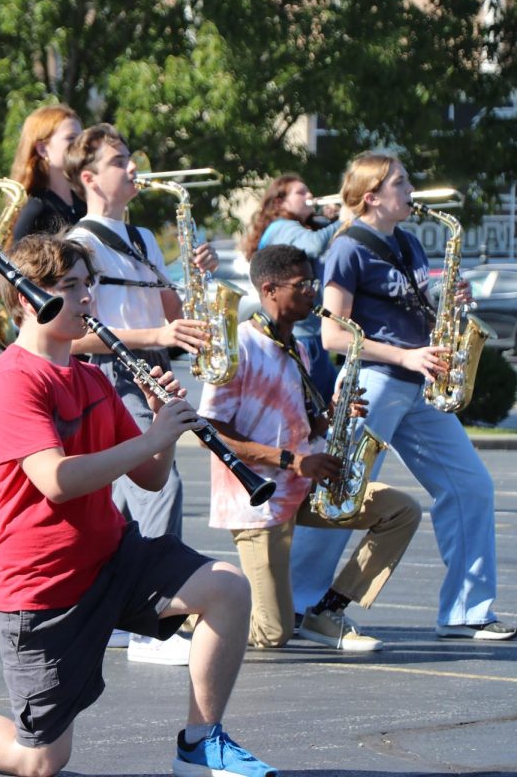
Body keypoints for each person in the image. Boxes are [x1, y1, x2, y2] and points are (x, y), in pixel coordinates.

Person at [0, 233, 277, 777]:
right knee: (39, 761)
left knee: (227, 587)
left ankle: (200, 743)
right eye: (70, 287)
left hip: (110, 559)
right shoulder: (10, 380)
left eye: (89, 285)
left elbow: (150, 479)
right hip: (41, 589)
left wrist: (162, 421)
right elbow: (56, 480)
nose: (88, 299)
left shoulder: (89, 378)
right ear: (23, 298)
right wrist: (150, 439)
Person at [289, 152, 515, 641]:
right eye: (401, 181)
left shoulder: (409, 243)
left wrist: (448, 306)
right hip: (372, 383)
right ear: (372, 196)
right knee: (342, 493)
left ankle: (465, 611)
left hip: (418, 384)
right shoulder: (348, 249)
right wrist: (404, 356)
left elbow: (409, 310)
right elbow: (332, 336)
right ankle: (298, 603)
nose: (410, 189)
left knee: (470, 486)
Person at [197, 244, 421, 651]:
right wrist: (295, 461)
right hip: (257, 501)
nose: (313, 293)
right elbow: (210, 432)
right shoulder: (239, 348)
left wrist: (333, 415)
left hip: (300, 488)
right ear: (270, 290)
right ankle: (189, 613)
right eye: (303, 285)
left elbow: (300, 425)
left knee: (401, 510)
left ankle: (328, 610)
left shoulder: (296, 349)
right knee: (272, 633)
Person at [61, 123, 217, 663]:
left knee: (127, 504)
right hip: (111, 373)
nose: (133, 169)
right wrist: (159, 336)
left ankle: (121, 617)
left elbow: (172, 312)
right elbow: (78, 333)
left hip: (149, 370)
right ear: (89, 177)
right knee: (158, 488)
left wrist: (192, 279)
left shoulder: (145, 239)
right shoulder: (78, 244)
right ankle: (154, 620)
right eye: (119, 161)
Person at [240, 174, 340, 402]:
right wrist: (346, 218)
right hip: (301, 335)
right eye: (301, 193)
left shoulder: (294, 228)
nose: (309, 196)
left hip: (310, 333)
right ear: (279, 202)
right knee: (310, 406)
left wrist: (331, 220)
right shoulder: (281, 226)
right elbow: (314, 244)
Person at [8, 105, 86, 242]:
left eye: (81, 139)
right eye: (71, 138)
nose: (82, 146)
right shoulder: (34, 208)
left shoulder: (83, 202)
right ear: (42, 149)